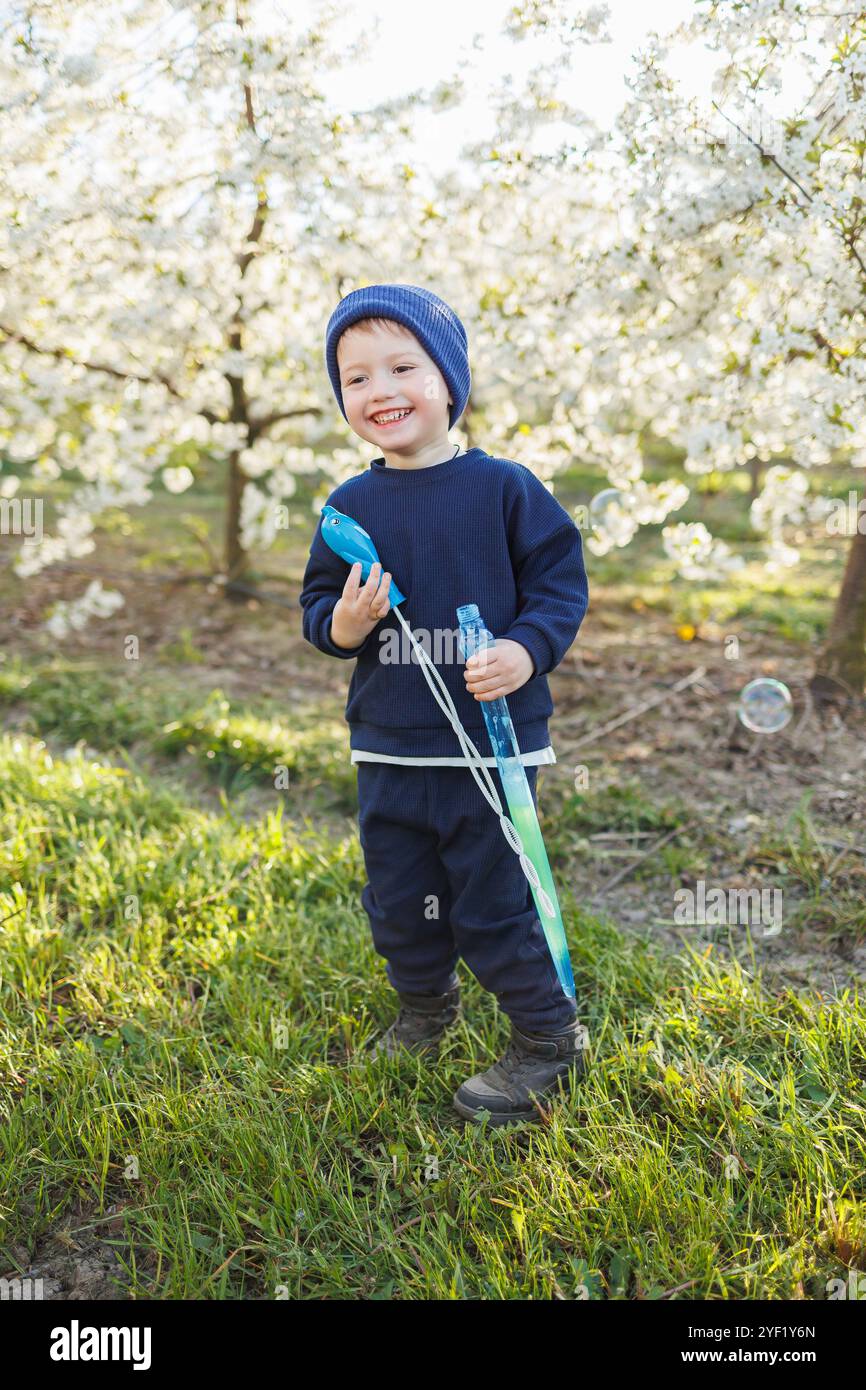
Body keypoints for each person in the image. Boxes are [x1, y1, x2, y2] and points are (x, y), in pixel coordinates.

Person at [299, 283, 590, 1126]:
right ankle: (425, 1006)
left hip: (491, 749)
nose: (379, 390)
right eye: (355, 378)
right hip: (390, 744)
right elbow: (320, 611)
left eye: (402, 367)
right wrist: (344, 622)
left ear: (449, 381)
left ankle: (545, 1037)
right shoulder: (349, 507)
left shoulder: (504, 488)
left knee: (494, 898)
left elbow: (558, 589)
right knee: (399, 896)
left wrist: (523, 649)